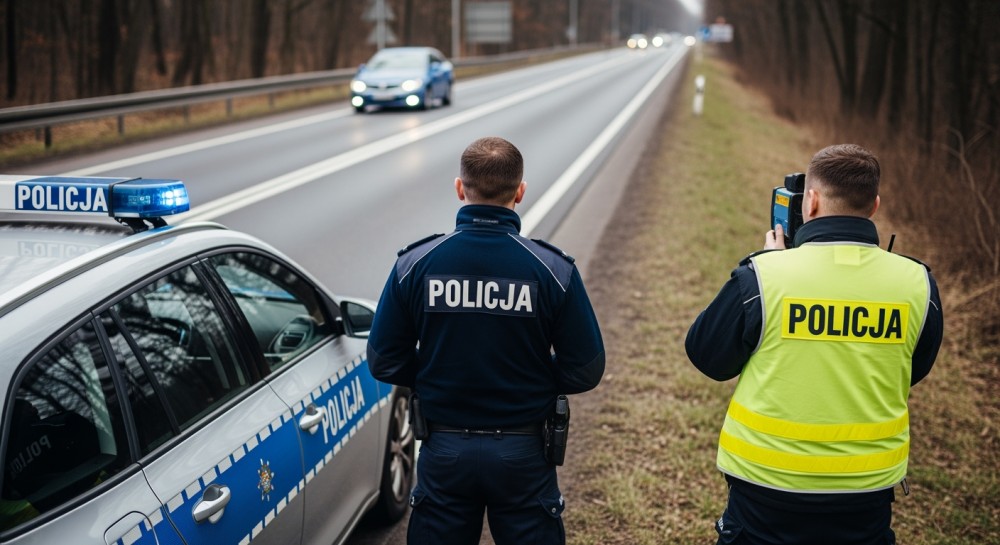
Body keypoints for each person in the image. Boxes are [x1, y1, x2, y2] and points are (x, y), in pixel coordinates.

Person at [686, 144, 943, 545]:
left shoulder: (764, 277)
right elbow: (913, 369)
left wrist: (769, 265)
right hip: (866, 498)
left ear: (811, 201)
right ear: (874, 206)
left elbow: (707, 357)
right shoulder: (917, 284)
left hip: (764, 493)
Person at [367, 136, 605, 545]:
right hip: (523, 453)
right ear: (521, 192)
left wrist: (435, 373)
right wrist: (533, 379)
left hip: (443, 451)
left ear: (460, 189)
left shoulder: (414, 265)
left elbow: (384, 360)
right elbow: (585, 368)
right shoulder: (552, 270)